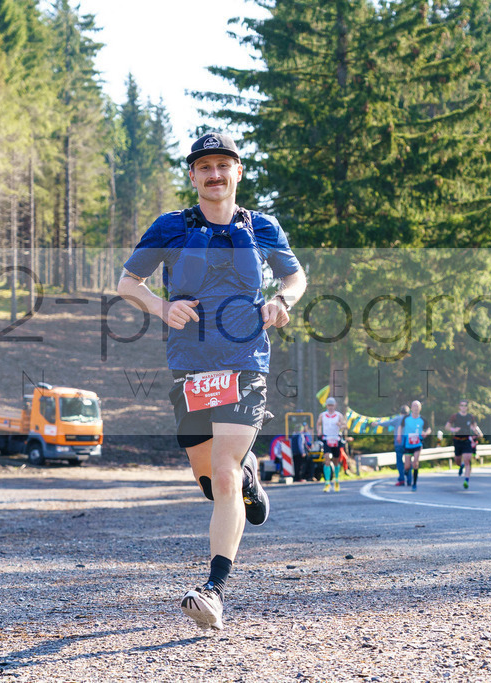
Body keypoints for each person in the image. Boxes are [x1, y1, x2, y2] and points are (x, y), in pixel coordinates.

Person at [116, 132, 307, 631]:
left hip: (246, 362)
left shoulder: (263, 227)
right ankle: (249, 477)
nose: (215, 174)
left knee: (222, 473)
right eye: (205, 167)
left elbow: (295, 277)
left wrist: (282, 302)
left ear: (238, 172)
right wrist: (161, 306)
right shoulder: (170, 227)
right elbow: (126, 282)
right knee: (211, 481)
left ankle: (214, 589)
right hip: (191, 367)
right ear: (194, 175)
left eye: (224, 165)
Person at [445, 400, 482, 489]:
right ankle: (460, 465)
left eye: (465, 405)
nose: (463, 407)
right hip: (457, 441)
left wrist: (478, 433)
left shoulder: (470, 417)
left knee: (467, 460)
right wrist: (454, 430)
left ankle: (466, 480)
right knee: (457, 460)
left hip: (467, 440)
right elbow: (447, 427)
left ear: (467, 407)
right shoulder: (455, 416)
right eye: (462, 405)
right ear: (459, 406)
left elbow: (474, 426)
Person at [316, 397, 348, 493]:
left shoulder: (339, 415)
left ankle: (336, 481)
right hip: (326, 439)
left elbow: (345, 426)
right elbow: (318, 424)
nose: (330, 407)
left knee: (336, 461)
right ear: (326, 405)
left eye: (332, 405)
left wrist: (340, 425)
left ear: (335, 405)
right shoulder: (322, 415)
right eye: (329, 405)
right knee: (326, 460)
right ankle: (327, 483)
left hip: (336, 439)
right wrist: (319, 432)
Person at [401, 401, 431, 491]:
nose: (416, 408)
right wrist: (399, 436)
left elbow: (428, 428)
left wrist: (426, 433)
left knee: (415, 463)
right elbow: (400, 427)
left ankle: (414, 484)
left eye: (418, 406)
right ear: (411, 408)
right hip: (408, 444)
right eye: (414, 406)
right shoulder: (406, 418)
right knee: (407, 466)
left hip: (417, 444)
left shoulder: (422, 419)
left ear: (420, 408)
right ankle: (406, 471)